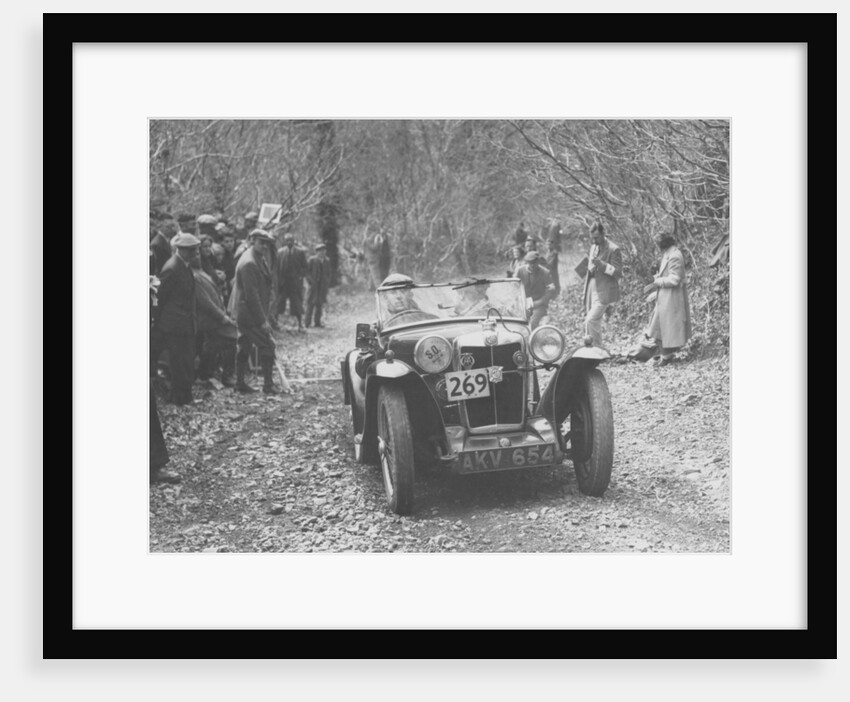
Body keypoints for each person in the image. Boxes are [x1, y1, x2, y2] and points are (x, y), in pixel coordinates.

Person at [151, 232, 200, 405]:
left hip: (184, 323)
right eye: (192, 250)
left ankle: (184, 396)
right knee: (179, 362)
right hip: (175, 325)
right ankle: (179, 397)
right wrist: (157, 320)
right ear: (183, 250)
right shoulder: (172, 267)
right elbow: (158, 295)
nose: (196, 253)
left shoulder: (183, 265)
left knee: (185, 360)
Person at [229, 229, 280, 394]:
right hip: (249, 314)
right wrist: (262, 321)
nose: (264, 246)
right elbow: (252, 296)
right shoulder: (249, 262)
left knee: (244, 345)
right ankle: (268, 385)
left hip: (248, 312)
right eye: (261, 242)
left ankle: (239, 383)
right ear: (252, 241)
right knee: (267, 345)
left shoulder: (257, 257)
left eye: (266, 243)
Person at [644, 228, 692, 366]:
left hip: (672, 297)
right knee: (658, 327)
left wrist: (658, 281)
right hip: (665, 295)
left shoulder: (675, 255)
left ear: (663, 244)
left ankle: (667, 356)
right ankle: (665, 355)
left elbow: (675, 279)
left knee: (665, 327)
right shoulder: (668, 253)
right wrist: (658, 281)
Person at [191, 249, 237, 387]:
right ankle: (215, 375)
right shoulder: (194, 275)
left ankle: (207, 374)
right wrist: (221, 316)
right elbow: (205, 301)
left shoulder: (203, 270)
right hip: (208, 317)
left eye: (198, 253)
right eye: (195, 254)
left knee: (212, 345)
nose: (198, 256)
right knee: (227, 339)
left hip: (215, 316)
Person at [581, 221, 622, 348]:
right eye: (592, 238)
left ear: (604, 233)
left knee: (590, 320)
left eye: (597, 237)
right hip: (591, 287)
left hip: (604, 290)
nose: (594, 241)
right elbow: (591, 265)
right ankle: (596, 349)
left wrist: (602, 265)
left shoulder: (613, 249)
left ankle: (594, 349)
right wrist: (589, 268)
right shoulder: (593, 247)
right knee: (594, 321)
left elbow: (618, 273)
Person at [276, 232, 308, 331]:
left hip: (295, 283)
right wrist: (279, 280)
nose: (289, 242)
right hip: (283, 283)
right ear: (285, 242)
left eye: (291, 240)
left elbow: (305, 267)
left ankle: (300, 324)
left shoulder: (300, 252)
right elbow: (277, 268)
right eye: (287, 240)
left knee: (297, 304)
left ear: (294, 241)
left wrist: (300, 276)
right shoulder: (280, 252)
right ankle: (275, 323)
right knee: (279, 303)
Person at [517, 250, 556, 329]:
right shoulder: (520, 271)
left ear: (538, 261)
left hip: (538, 305)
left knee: (533, 323)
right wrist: (519, 298)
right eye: (529, 263)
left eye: (534, 263)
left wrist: (541, 301)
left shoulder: (545, 273)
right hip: (523, 303)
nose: (532, 265)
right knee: (518, 322)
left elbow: (551, 290)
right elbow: (514, 286)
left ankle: (533, 339)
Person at [305, 243, 331, 328]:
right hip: (313, 286)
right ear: (317, 252)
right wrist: (311, 282)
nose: (322, 252)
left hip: (322, 286)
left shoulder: (327, 261)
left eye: (324, 250)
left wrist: (326, 283)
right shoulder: (312, 260)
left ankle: (317, 322)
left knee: (319, 304)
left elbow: (328, 273)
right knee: (310, 304)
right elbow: (307, 272)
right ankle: (307, 323)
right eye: (320, 251)